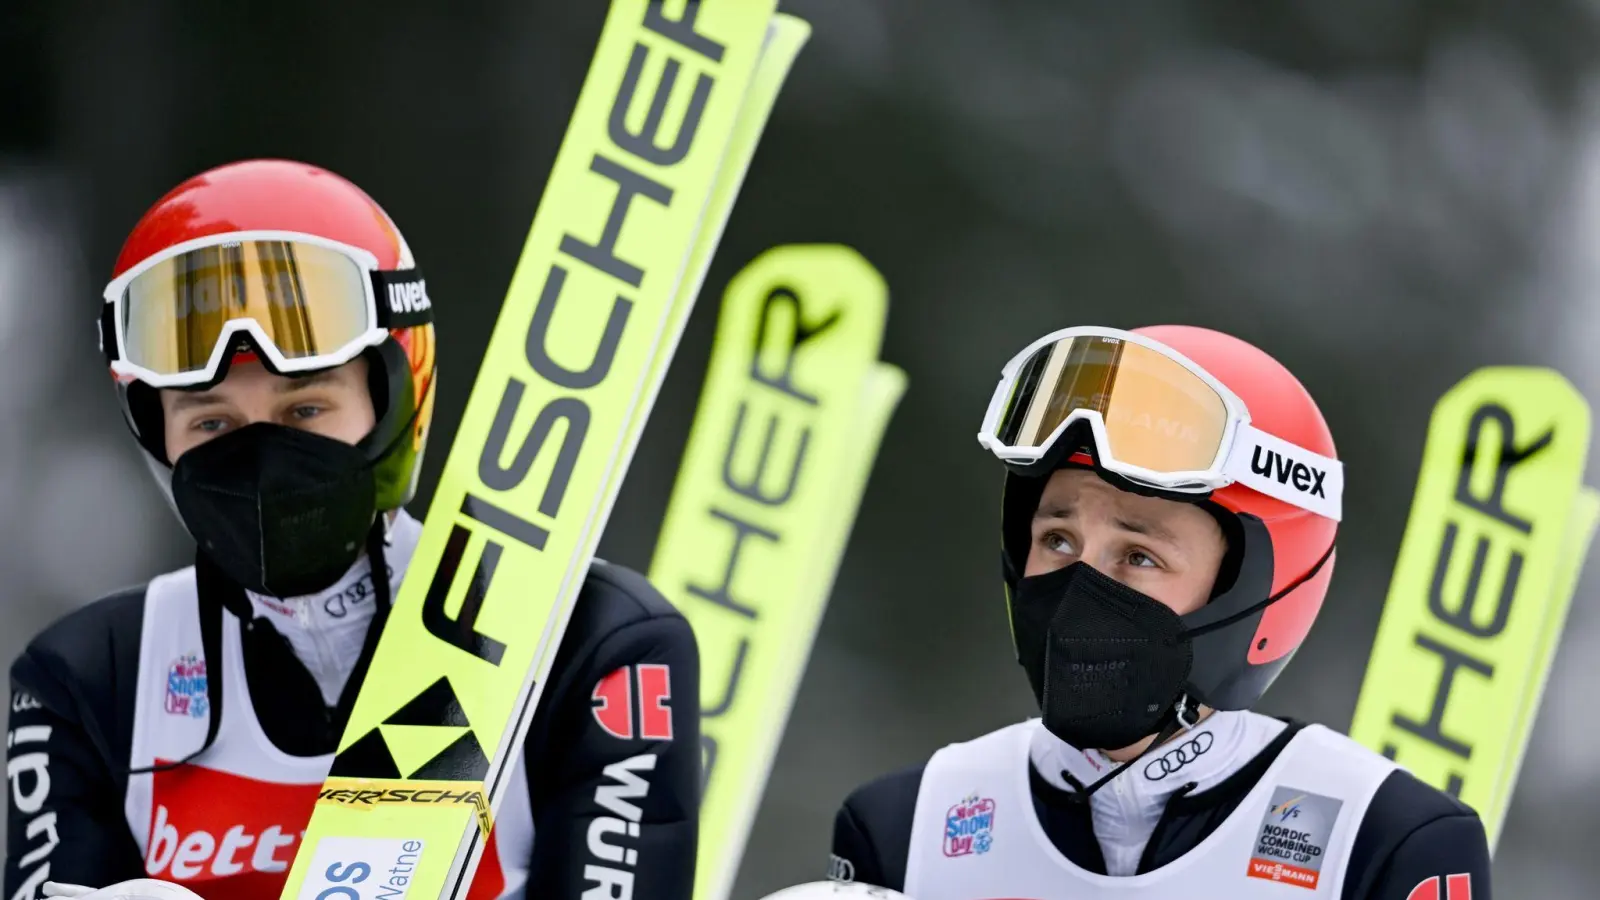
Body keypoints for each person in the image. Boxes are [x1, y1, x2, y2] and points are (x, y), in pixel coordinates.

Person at [3, 159, 702, 900]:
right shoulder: (91, 678)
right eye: (212, 423)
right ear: (158, 439)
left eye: (306, 410)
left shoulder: (588, 643)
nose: (261, 459)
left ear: (394, 404)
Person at [825, 325, 1491, 899]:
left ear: (1255, 588)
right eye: (1057, 540)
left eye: (1138, 556)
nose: (1081, 587)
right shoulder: (907, 826)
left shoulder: (1381, 842)